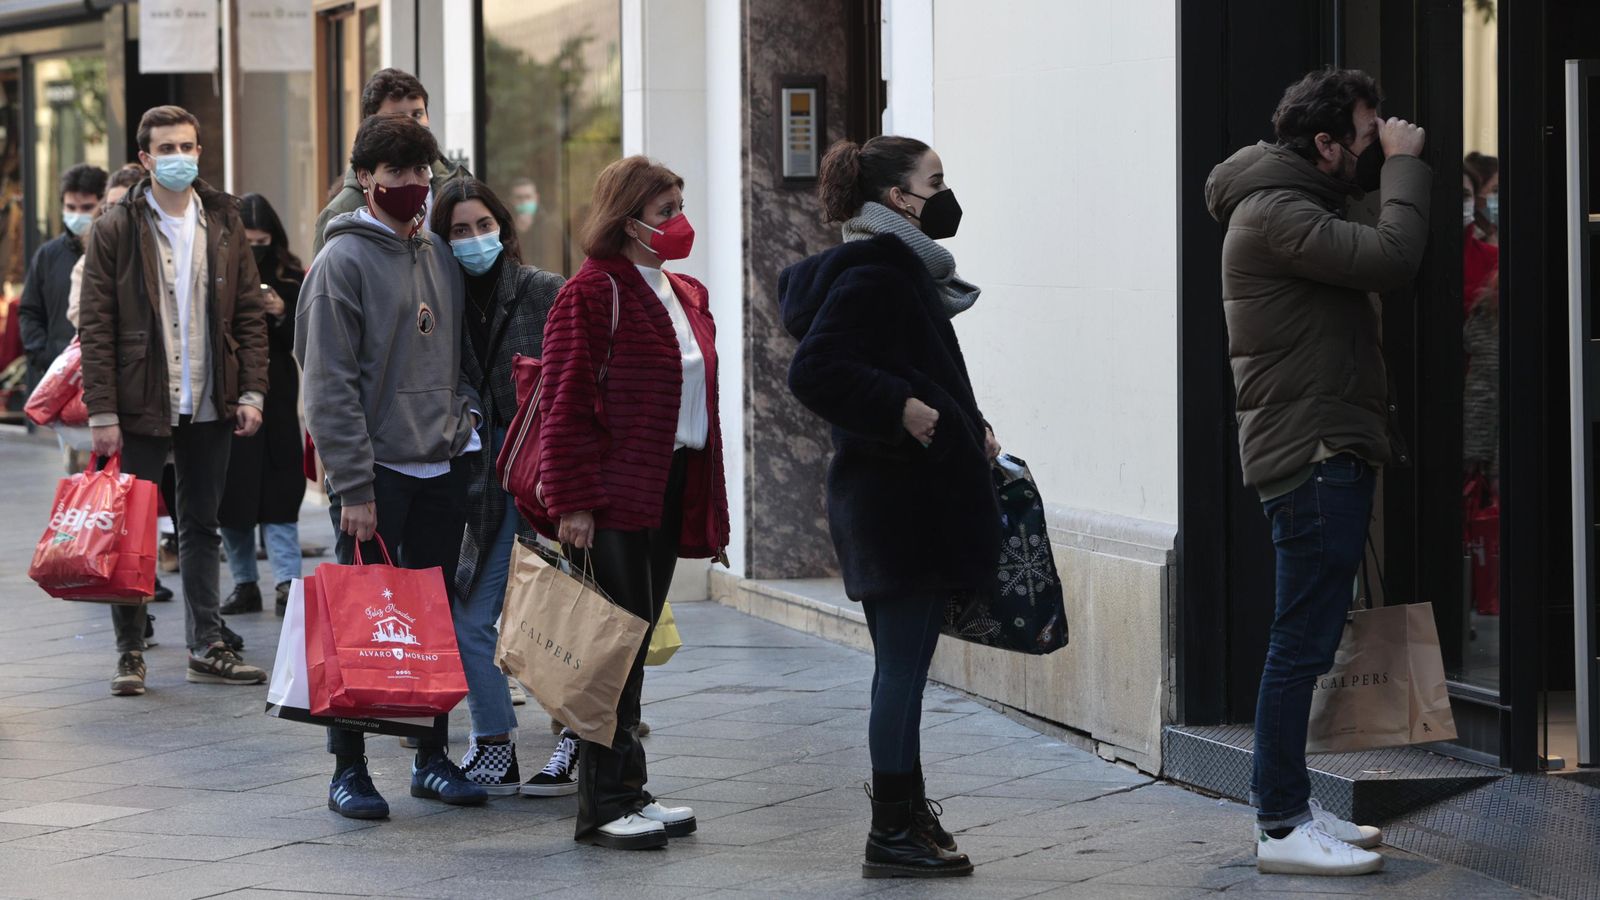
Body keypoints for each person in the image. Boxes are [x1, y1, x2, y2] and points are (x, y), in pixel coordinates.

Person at [1204, 68, 1429, 875]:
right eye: (1368, 136)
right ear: (1325, 142)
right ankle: (1281, 826)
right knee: (1298, 645)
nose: (1377, 146)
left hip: (1324, 446)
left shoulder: (1296, 203)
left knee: (1305, 638)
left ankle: (1293, 808)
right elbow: (1394, 255)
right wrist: (1408, 165)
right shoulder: (1275, 213)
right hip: (1312, 454)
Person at [779, 135, 994, 880]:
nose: (946, 194)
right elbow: (818, 370)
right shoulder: (879, 270)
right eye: (936, 181)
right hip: (900, 504)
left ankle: (911, 818)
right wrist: (903, 409)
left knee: (904, 667)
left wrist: (969, 423)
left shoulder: (898, 269)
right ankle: (891, 832)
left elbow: (909, 362)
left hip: (898, 500)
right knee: (901, 670)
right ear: (900, 200)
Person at [295, 112, 488, 820]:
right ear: (367, 181)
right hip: (375, 477)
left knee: (427, 620)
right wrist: (352, 484)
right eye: (397, 175)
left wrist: (462, 418)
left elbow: (458, 355)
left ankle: (430, 757)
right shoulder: (340, 263)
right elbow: (327, 384)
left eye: (420, 174)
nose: (412, 186)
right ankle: (348, 769)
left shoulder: (435, 252)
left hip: (441, 464)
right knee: (360, 623)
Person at [535, 155, 728, 849]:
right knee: (609, 651)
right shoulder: (592, 292)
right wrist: (574, 502)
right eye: (664, 211)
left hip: (669, 484)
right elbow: (565, 404)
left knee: (636, 642)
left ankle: (630, 788)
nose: (678, 222)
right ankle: (603, 804)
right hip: (612, 495)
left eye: (679, 204)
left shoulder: (682, 291)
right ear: (627, 221)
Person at [78, 105, 272, 697]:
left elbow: (247, 310)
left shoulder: (222, 219)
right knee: (131, 529)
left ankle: (206, 643)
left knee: (201, 524)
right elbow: (97, 324)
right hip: (141, 398)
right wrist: (103, 412)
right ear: (144, 158)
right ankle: (130, 651)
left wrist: (253, 390)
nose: (180, 158)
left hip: (210, 394)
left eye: (188, 147)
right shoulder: (115, 226)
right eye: (167, 148)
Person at [427, 176, 564, 796]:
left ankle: (577, 741)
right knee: (470, 616)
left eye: (484, 226)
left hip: (544, 476)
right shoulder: (440, 302)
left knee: (558, 615)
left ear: (504, 228)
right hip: (482, 481)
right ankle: (493, 743)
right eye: (459, 230)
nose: (475, 239)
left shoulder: (543, 290)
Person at [217, 194, 307, 618]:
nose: (256, 247)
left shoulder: (291, 275)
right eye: (248, 239)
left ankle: (287, 581)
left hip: (278, 393)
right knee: (232, 495)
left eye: (263, 239)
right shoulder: (220, 269)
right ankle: (243, 583)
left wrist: (281, 310)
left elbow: (302, 337)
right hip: (231, 391)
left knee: (281, 487)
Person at [311, 68, 467, 256]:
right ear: (370, 124)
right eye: (397, 117)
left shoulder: (458, 183)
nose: (410, 125)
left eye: (417, 114)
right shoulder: (340, 212)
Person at [21, 163, 105, 390]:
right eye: (71, 207)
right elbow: (29, 311)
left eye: (87, 207)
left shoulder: (113, 252)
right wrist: (45, 356)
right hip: (60, 376)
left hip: (106, 375)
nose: (78, 215)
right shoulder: (48, 255)